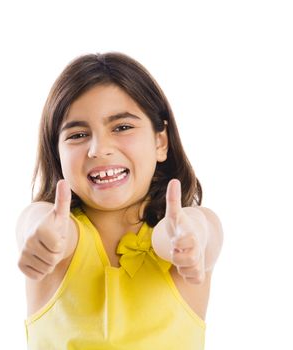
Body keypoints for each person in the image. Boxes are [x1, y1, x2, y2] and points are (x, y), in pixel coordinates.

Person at [16, 52, 223, 350]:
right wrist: (40, 239)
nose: (99, 149)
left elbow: (192, 234)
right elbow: (34, 224)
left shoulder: (188, 227)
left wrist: (189, 240)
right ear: (57, 154)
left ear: (160, 141)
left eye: (122, 127)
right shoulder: (53, 227)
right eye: (77, 134)